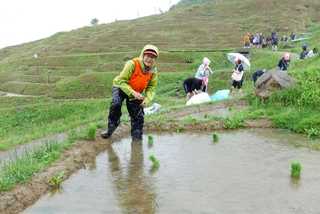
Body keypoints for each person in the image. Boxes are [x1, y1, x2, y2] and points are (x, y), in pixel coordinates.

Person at [101, 45, 159, 141]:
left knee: (138, 116)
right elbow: (121, 81)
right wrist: (132, 92)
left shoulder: (153, 71)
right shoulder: (132, 64)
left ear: (155, 59)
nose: (149, 59)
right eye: (147, 56)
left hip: (136, 92)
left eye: (152, 57)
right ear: (143, 55)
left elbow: (151, 87)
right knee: (116, 104)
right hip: (121, 87)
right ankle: (111, 128)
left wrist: (147, 99)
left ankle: (137, 141)